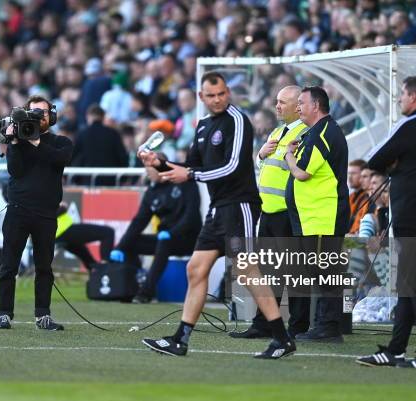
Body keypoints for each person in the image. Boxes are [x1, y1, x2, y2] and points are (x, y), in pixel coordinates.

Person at [139, 72, 295, 359]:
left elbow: (233, 166)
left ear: (228, 92)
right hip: (217, 209)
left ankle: (282, 339)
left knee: (247, 271)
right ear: (202, 97)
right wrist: (159, 162)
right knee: (195, 270)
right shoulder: (203, 127)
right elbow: (190, 166)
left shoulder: (237, 120)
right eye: (211, 95)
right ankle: (180, 339)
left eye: (221, 93)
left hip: (240, 207)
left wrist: (191, 173)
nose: (217, 99)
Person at [357, 75, 416, 369]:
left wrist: (394, 165)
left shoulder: (411, 125)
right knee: (407, 284)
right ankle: (396, 350)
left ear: (413, 97)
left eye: (401, 94)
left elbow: (373, 159)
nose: (399, 99)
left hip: (411, 216)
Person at [230, 85, 310, 339]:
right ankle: (264, 323)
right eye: (276, 101)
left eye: (282, 102)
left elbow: (302, 169)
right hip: (269, 212)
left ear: (298, 105)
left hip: (289, 213)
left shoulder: (305, 132)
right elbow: (267, 164)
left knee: (294, 272)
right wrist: (260, 155)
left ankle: (298, 327)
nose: (277, 106)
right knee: (267, 272)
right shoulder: (278, 131)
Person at [0, 95, 73, 330]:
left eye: (44, 113)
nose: (39, 117)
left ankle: (43, 315)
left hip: (47, 213)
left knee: (44, 267)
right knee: (9, 265)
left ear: (52, 116)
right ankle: (4, 314)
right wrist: (15, 141)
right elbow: (15, 170)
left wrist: (36, 142)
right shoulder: (18, 141)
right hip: (18, 209)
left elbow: (60, 159)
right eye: (34, 113)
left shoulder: (61, 141)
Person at [284, 86, 350, 342]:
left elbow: (301, 172)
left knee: (326, 270)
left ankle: (329, 327)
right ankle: (323, 324)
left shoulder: (323, 132)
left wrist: (289, 154)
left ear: (316, 105)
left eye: (302, 102)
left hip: (324, 215)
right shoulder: (317, 132)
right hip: (314, 216)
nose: (298, 107)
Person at [109, 156, 201, 303]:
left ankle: (146, 293)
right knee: (131, 244)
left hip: (188, 238)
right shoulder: (152, 192)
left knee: (164, 243)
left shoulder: (184, 183)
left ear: (161, 168)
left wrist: (172, 233)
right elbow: (139, 222)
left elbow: (191, 216)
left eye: (150, 169)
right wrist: (120, 246)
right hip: (163, 239)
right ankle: (132, 288)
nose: (148, 173)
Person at [71, 104, 128, 186]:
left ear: (88, 116)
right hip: (110, 180)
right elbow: (122, 156)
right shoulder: (113, 134)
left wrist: (72, 177)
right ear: (103, 117)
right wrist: (124, 178)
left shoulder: (82, 134)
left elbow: (72, 156)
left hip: (87, 180)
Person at [55, 202, 114, 271]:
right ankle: (105, 269)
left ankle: (97, 275)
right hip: (64, 230)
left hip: (60, 235)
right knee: (108, 232)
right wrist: (62, 207)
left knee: (90, 262)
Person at [347, 159, 369, 235]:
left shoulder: (370, 197)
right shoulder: (350, 197)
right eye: (349, 173)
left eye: (353, 173)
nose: (349, 177)